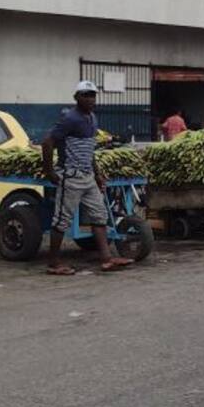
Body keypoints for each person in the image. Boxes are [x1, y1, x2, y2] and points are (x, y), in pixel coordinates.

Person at [42, 81, 132, 275]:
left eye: (92, 95)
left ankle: (107, 258)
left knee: (99, 214)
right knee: (62, 220)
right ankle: (54, 263)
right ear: (76, 98)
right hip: (71, 175)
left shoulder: (92, 118)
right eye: (86, 95)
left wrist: (97, 174)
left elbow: (90, 150)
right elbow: (48, 142)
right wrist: (49, 171)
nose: (90, 99)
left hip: (88, 176)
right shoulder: (70, 119)